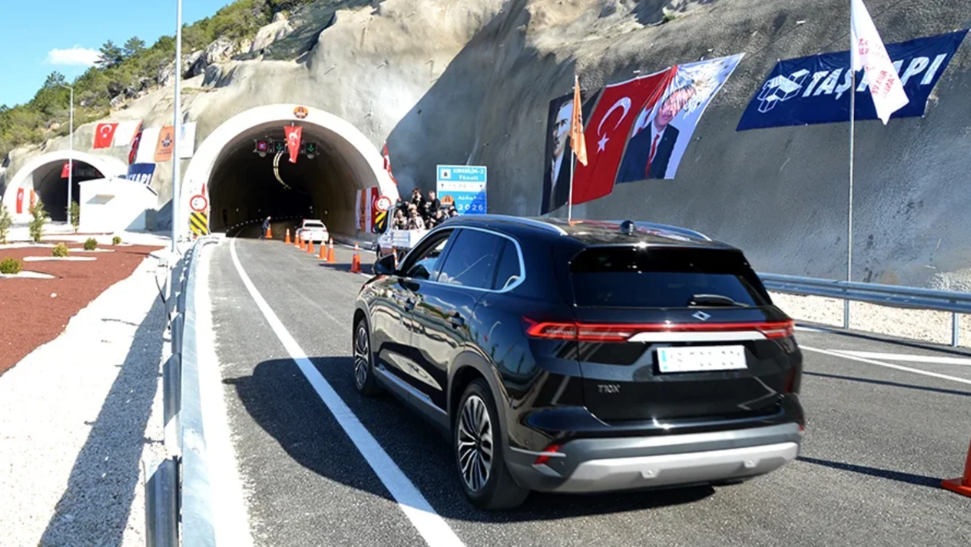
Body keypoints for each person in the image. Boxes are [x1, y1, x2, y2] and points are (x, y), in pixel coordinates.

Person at [617, 85, 696, 182]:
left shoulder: (671, 134)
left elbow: (660, 171)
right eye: (669, 102)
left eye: (679, 105)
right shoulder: (637, 131)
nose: (671, 110)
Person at [544, 100, 574, 214]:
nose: (557, 134)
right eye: (555, 127)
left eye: (563, 124)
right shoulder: (548, 175)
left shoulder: (571, 171)